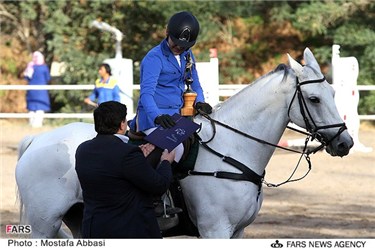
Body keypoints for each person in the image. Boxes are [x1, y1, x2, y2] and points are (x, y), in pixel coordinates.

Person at [75, 101, 175, 238]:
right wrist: (165, 162)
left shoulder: (83, 149)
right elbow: (159, 185)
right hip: (128, 230)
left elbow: (112, 168)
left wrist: (138, 157)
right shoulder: (128, 154)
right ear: (122, 124)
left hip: (94, 229)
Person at [129, 11, 212, 163]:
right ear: (167, 32)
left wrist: (200, 101)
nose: (179, 47)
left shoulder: (187, 54)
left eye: (184, 46)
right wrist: (157, 116)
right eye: (176, 43)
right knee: (175, 147)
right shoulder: (154, 58)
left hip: (178, 116)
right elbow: (146, 95)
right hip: (154, 117)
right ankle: (163, 183)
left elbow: (195, 83)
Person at [23, 51, 51, 128]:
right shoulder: (44, 67)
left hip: (31, 90)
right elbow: (48, 78)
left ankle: (31, 123)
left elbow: (26, 77)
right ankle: (37, 125)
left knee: (31, 107)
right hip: (41, 91)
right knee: (40, 107)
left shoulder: (30, 66)